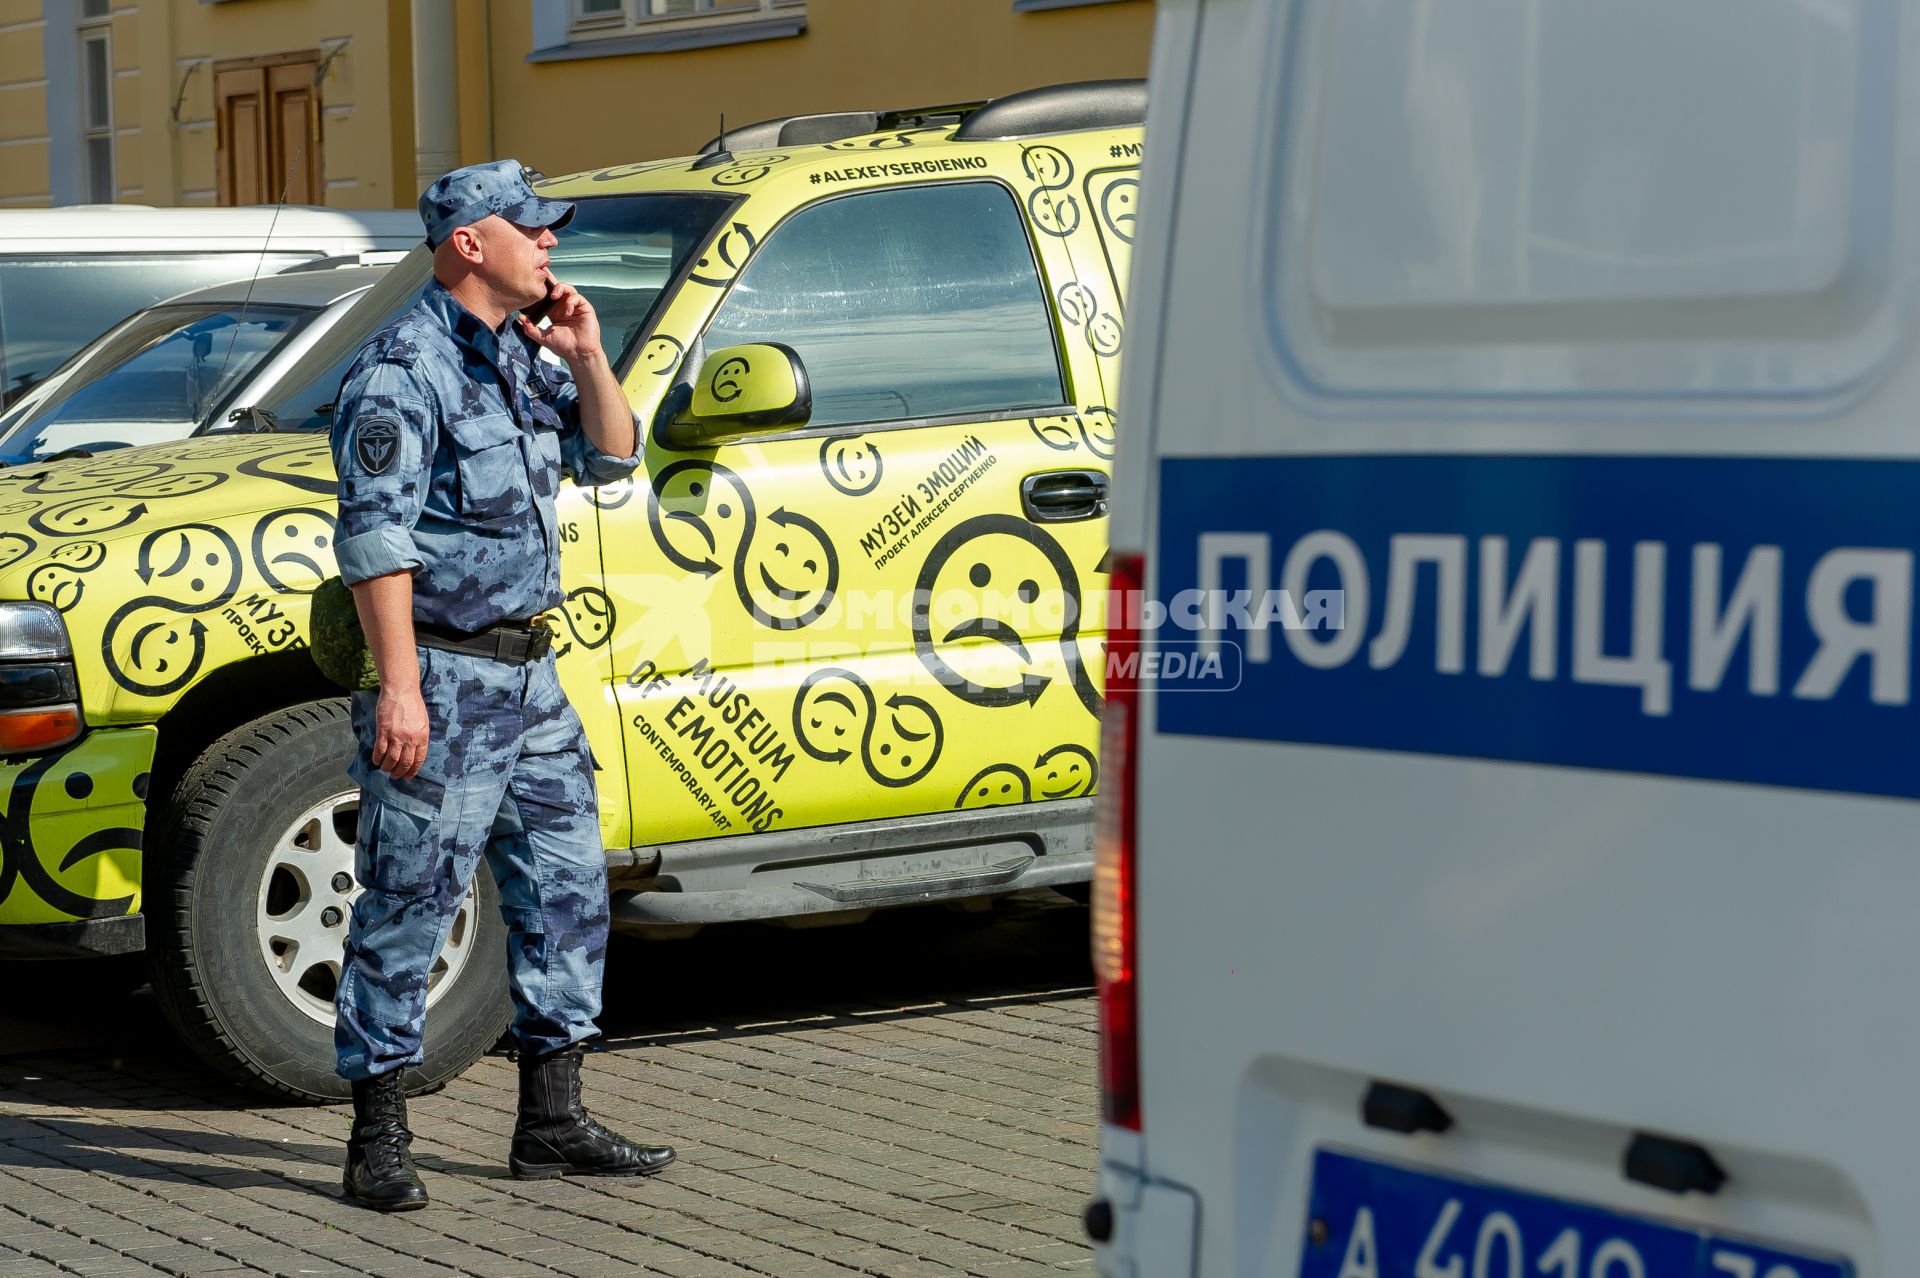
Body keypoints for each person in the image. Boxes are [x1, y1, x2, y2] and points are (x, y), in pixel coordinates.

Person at [327, 159, 674, 1212]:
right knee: (409, 901)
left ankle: (551, 1120)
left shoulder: (526, 357)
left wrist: (589, 353)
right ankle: (377, 1135)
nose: (551, 244)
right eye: (533, 229)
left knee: (567, 889)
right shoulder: (402, 369)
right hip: (442, 670)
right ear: (470, 243)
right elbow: (374, 542)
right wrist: (399, 691)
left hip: (532, 678)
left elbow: (614, 460)